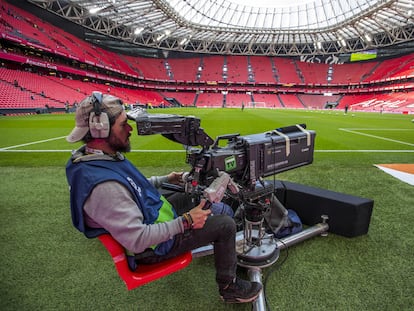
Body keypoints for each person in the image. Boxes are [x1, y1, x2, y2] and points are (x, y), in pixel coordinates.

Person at [65, 92, 262, 303]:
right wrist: (186, 221)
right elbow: (138, 239)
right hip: (152, 247)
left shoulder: (99, 159)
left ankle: (219, 243)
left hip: (151, 213)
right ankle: (229, 287)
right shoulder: (104, 187)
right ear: (100, 130)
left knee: (191, 193)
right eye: (123, 125)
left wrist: (164, 179)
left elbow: (132, 187)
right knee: (225, 224)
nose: (130, 129)